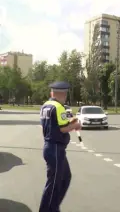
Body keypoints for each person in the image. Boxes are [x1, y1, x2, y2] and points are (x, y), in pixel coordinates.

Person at [39, 81, 81, 212]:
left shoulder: (46, 105)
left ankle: (53, 206)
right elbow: (63, 129)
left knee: (65, 177)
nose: (66, 97)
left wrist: (70, 122)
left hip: (52, 148)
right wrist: (75, 125)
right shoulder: (58, 107)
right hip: (55, 148)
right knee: (54, 183)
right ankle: (48, 209)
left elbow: (57, 123)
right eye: (65, 94)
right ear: (62, 93)